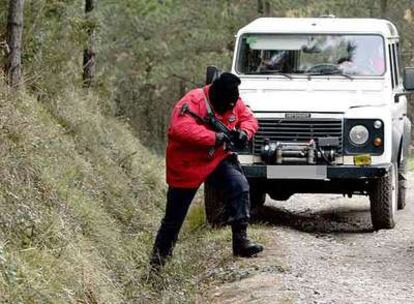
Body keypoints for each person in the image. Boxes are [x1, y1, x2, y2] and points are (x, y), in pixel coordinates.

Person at [149, 72, 263, 270]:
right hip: (187, 165)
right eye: (225, 106)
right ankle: (157, 265)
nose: (229, 109)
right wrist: (214, 137)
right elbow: (180, 128)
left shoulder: (233, 100)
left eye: (232, 105)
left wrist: (245, 132)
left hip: (217, 159)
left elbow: (249, 118)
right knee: (173, 219)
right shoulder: (192, 101)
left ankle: (240, 241)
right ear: (215, 96)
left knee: (240, 186)